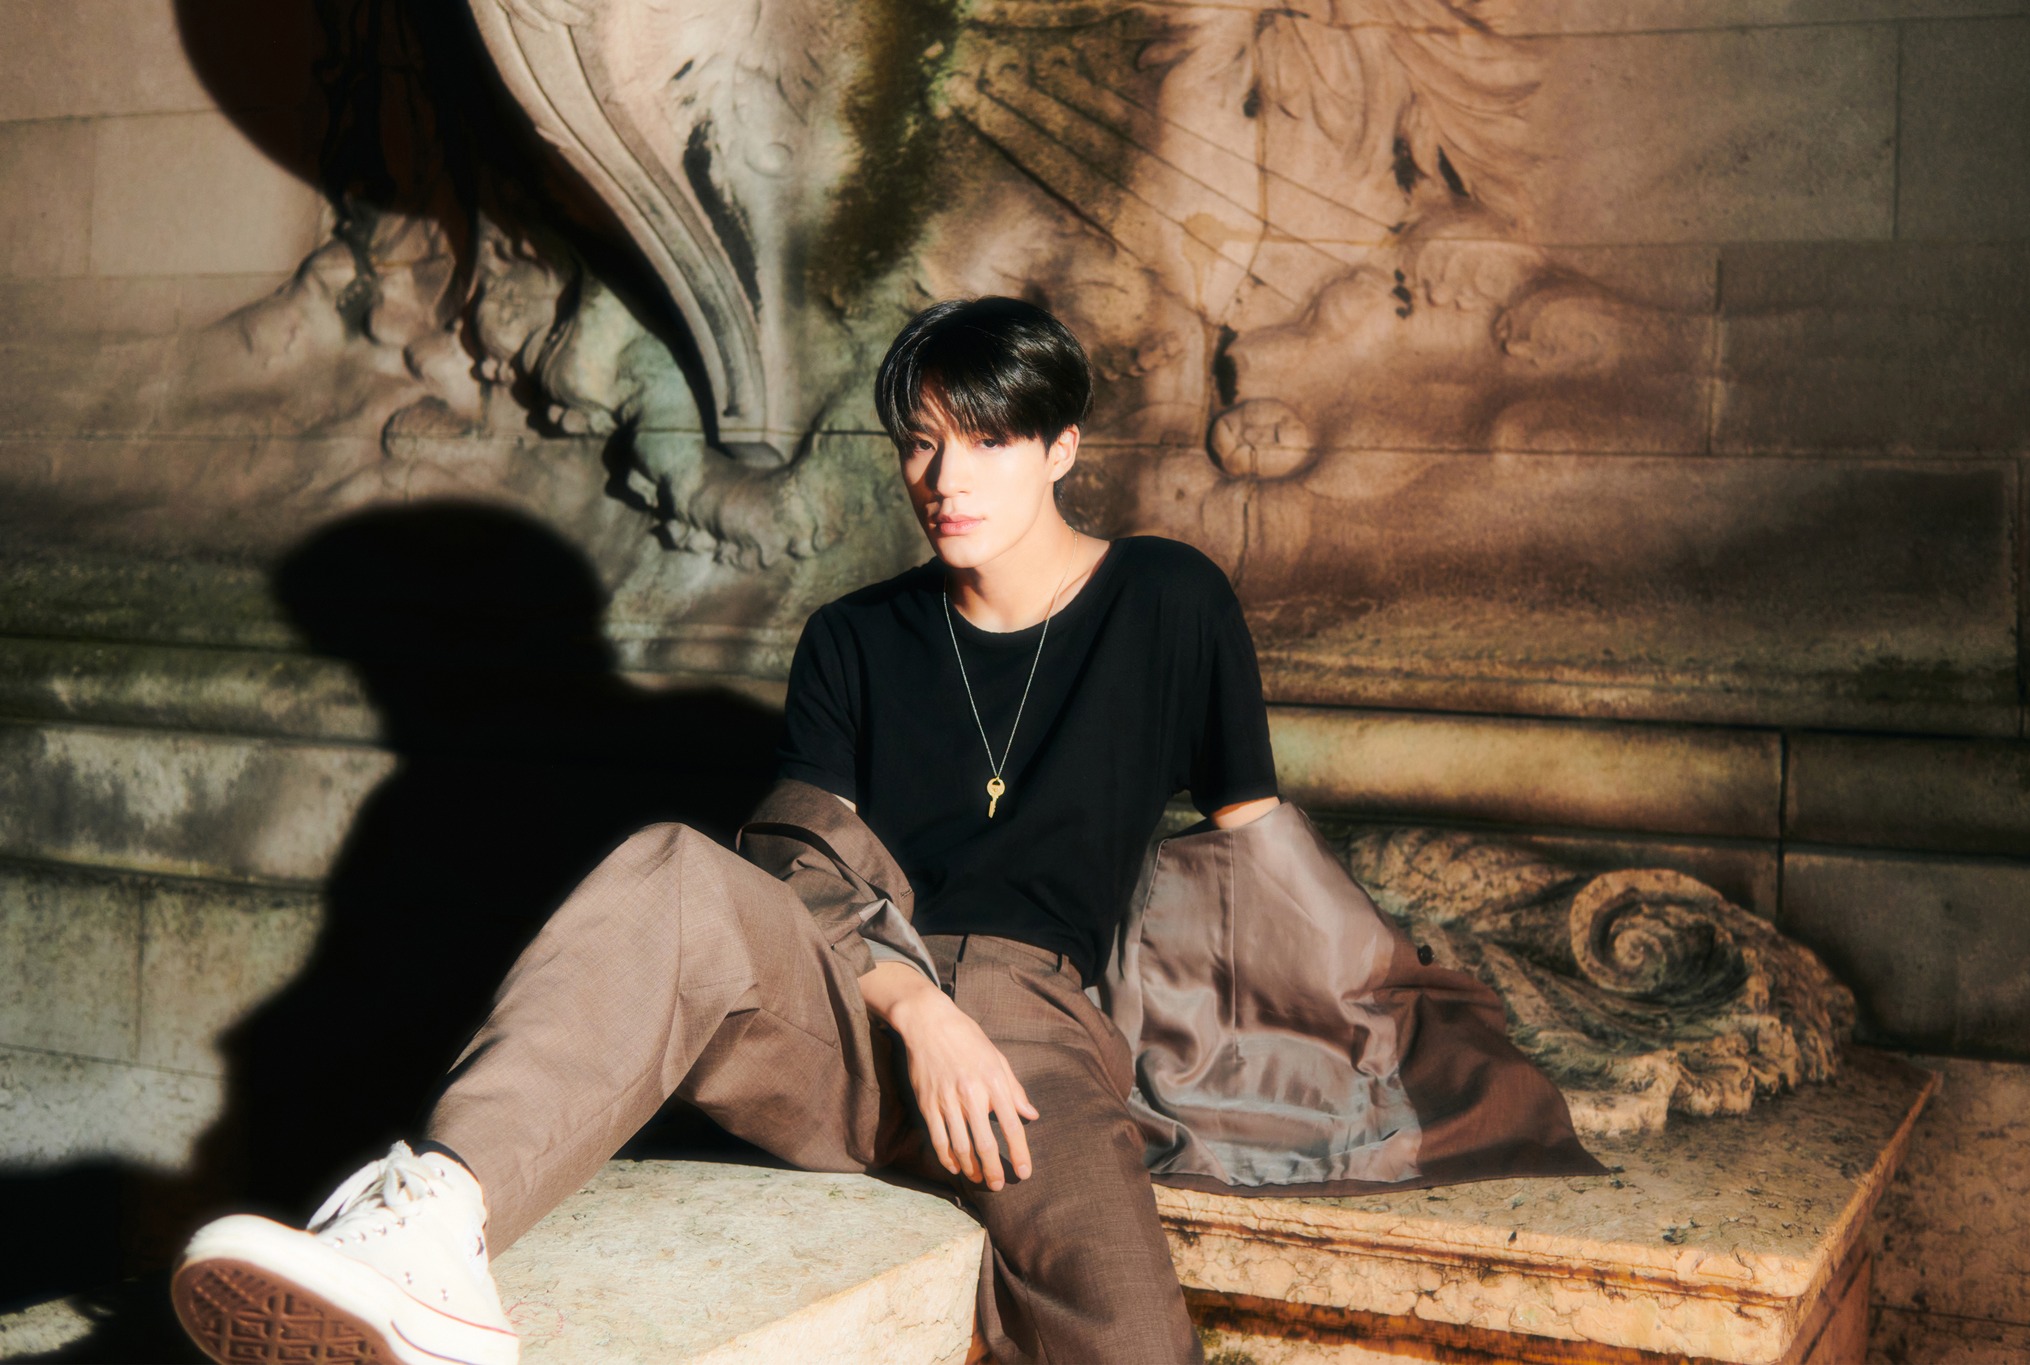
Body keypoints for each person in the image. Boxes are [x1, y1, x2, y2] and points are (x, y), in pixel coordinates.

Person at [170, 296, 1281, 1364]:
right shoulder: (854, 638)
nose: (944, 480)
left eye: (986, 441)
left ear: (1060, 448)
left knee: (1131, 1335)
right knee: (677, 868)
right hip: (851, 1007)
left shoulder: (1165, 598)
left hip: (1035, 1040)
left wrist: (1306, 1066)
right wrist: (917, 1008)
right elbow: (799, 863)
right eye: (920, 442)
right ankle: (431, 1226)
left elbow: (1258, 857)